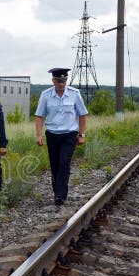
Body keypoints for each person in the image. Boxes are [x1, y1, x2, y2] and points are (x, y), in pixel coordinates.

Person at [34, 67, 88, 207]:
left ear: (66, 80)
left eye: (63, 80)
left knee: (64, 163)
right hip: (52, 135)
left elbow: (82, 115)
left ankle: (60, 195)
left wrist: (81, 134)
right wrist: (39, 135)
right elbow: (39, 116)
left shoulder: (74, 94)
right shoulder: (45, 95)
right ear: (53, 81)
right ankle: (57, 191)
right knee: (55, 165)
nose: (61, 83)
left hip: (69, 135)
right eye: (58, 80)